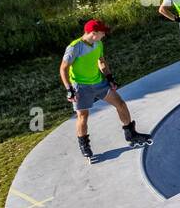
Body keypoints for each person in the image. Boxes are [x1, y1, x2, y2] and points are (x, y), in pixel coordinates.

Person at [60, 19, 152, 162]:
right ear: (93, 33)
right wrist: (69, 89)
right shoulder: (75, 47)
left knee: (120, 104)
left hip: (99, 83)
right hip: (81, 86)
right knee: (83, 116)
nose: (104, 35)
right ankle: (84, 145)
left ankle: (131, 134)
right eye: (102, 33)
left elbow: (101, 61)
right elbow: (63, 68)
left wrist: (109, 78)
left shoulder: (98, 43)